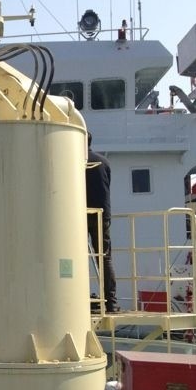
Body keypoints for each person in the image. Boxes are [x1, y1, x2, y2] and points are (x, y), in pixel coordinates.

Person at [86, 134, 119, 312]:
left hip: (80, 214)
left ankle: (79, 298)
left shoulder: (75, 161)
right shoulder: (104, 162)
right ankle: (111, 302)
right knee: (105, 257)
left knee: (76, 256)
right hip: (102, 214)